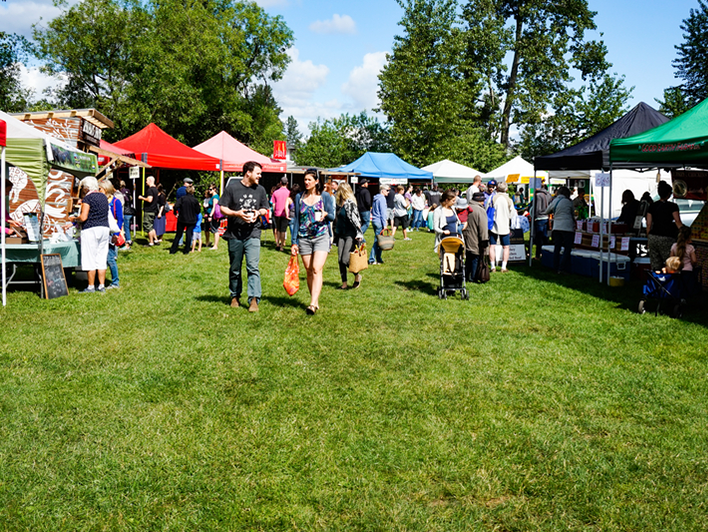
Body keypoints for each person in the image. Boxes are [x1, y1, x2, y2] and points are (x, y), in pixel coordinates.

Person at [219, 162, 269, 312]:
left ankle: (254, 299)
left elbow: (265, 208)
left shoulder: (260, 190)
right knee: (235, 267)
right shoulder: (232, 188)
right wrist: (237, 213)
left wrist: (257, 213)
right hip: (235, 234)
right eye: (258, 173)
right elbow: (222, 208)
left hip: (253, 233)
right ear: (248, 172)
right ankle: (234, 296)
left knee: (253, 266)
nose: (260, 176)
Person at [291, 168, 335, 315]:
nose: (306, 182)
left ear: (317, 181)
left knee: (316, 268)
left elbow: (332, 216)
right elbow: (296, 219)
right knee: (309, 270)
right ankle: (314, 300)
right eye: (305, 180)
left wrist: (326, 214)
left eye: (309, 180)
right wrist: (294, 242)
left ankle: (312, 303)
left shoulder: (325, 197)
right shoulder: (299, 197)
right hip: (304, 237)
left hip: (321, 236)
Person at [69, 177, 110, 292]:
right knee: (101, 258)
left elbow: (83, 217)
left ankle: (91, 286)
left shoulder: (88, 198)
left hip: (91, 229)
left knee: (89, 258)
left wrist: (74, 218)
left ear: (86, 188)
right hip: (104, 228)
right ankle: (101, 285)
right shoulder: (103, 197)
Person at [646, 180, 682, 271]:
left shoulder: (652, 206)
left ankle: (656, 281)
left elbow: (648, 224)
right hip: (667, 236)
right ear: (669, 193)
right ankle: (668, 282)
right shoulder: (673, 206)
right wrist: (684, 232)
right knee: (669, 262)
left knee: (655, 263)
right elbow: (677, 221)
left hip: (653, 237)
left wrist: (648, 237)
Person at [334, 183, 364, 289]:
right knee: (340, 260)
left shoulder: (350, 204)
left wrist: (359, 233)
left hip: (350, 235)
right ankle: (344, 284)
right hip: (341, 234)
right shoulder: (340, 204)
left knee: (345, 259)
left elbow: (357, 220)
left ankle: (357, 275)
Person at [544, 186, 575, 274]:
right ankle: (562, 268)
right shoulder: (569, 202)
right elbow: (573, 214)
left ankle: (555, 267)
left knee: (557, 248)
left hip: (557, 227)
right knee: (567, 248)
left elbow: (547, 211)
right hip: (567, 227)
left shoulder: (555, 201)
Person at [99, 180, 123, 289]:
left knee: (110, 258)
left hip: (111, 233)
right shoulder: (99, 201)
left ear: (106, 189)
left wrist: (116, 234)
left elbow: (120, 219)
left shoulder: (115, 201)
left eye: (100, 189)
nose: (98, 191)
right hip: (101, 232)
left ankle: (115, 282)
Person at [462, 191, 489, 282]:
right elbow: (483, 227)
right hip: (476, 237)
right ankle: (473, 277)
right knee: (476, 257)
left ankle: (465, 275)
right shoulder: (480, 210)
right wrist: (484, 240)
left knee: (469, 257)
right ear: (480, 201)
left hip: (466, 236)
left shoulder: (466, 207)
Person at [489, 182, 515, 273]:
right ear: (506, 189)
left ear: (497, 189)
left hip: (493, 225)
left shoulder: (493, 198)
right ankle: (503, 267)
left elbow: (487, 210)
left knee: (492, 246)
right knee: (506, 247)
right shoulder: (509, 200)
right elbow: (512, 214)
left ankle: (492, 266)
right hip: (504, 226)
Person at [170, 184, 201, 255]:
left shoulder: (182, 199)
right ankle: (186, 250)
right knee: (188, 235)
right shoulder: (195, 200)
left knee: (178, 234)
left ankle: (173, 250)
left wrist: (176, 213)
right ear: (193, 192)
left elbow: (176, 206)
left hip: (182, 219)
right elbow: (198, 211)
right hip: (191, 219)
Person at [369, 184, 389, 265]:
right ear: (383, 190)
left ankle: (378, 258)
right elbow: (383, 212)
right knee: (377, 241)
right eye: (387, 190)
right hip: (379, 221)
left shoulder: (375, 198)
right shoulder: (382, 199)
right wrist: (385, 224)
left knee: (379, 240)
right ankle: (372, 259)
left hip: (374, 220)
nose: (388, 192)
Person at [531, 185, 551, 259]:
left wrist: (534, 216)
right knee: (545, 237)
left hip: (539, 217)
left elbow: (537, 208)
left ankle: (537, 255)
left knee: (538, 237)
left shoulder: (538, 195)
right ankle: (546, 253)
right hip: (546, 216)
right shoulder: (548, 194)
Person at [271, 176, 290, 252]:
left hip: (277, 213)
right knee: (283, 230)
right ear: (287, 183)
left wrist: (274, 211)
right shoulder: (289, 193)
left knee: (278, 229)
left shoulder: (275, 192)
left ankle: (277, 243)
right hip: (285, 213)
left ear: (280, 183)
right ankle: (282, 246)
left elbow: (273, 204)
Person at [138, 175, 159, 246]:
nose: (146, 182)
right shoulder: (156, 189)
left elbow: (149, 199)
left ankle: (151, 242)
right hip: (154, 210)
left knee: (148, 226)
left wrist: (142, 198)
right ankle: (156, 240)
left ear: (150, 181)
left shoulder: (150, 190)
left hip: (149, 210)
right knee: (151, 226)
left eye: (146, 180)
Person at [204, 183, 221, 250]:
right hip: (208, 214)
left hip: (213, 216)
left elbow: (214, 207)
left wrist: (210, 216)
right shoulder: (211, 197)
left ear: (214, 189)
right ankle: (207, 242)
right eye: (209, 189)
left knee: (214, 229)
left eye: (210, 189)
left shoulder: (215, 197)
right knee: (206, 229)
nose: (209, 191)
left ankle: (215, 245)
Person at [118, 180, 134, 249]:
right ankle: (128, 240)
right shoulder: (128, 191)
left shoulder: (121, 193)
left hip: (126, 212)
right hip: (130, 211)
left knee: (125, 228)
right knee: (128, 227)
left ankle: (127, 242)